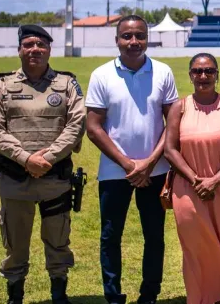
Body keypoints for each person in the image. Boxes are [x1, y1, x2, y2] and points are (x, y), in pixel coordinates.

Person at [0, 24, 86, 304]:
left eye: (41, 45)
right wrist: (26, 158)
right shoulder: (1, 85)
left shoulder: (67, 84)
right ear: (19, 50)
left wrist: (48, 158)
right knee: (15, 244)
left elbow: (77, 125)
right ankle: (15, 295)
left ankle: (59, 294)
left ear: (49, 50)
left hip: (55, 179)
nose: (35, 50)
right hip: (15, 180)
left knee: (58, 240)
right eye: (28, 44)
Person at [85, 15, 179, 304]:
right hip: (115, 172)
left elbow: (173, 124)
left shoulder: (163, 72)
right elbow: (93, 128)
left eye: (140, 35)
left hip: (156, 171)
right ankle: (113, 297)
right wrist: (129, 164)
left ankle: (149, 295)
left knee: (154, 236)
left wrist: (149, 163)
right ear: (117, 40)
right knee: (110, 237)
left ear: (147, 39)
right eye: (127, 36)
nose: (134, 41)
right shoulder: (101, 75)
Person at [165, 53, 220, 304]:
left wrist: (215, 180)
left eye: (209, 71)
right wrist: (196, 180)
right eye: (197, 71)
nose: (203, 76)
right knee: (199, 250)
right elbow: (170, 149)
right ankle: (205, 297)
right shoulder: (179, 108)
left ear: (217, 75)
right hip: (188, 189)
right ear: (190, 75)